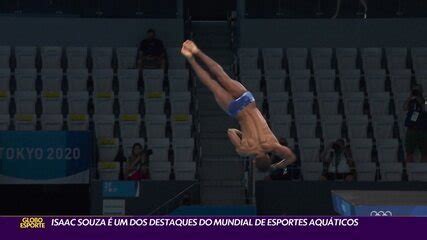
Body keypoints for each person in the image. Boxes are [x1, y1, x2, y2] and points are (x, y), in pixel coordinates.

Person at [181, 40, 296, 172]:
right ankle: (191, 59)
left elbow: (291, 158)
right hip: (237, 112)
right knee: (212, 84)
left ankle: (197, 51)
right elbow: (230, 131)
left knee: (222, 76)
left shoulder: (274, 145)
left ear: (269, 158)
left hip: (249, 103)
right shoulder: (244, 150)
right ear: (254, 162)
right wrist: (243, 134)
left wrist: (277, 166)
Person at [404, 84, 427, 162]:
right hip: (411, 129)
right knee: (409, 152)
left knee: (425, 152)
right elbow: (404, 107)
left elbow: (425, 109)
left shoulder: (426, 100)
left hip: (423, 129)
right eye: (415, 90)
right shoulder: (411, 101)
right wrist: (410, 97)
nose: (416, 92)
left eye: (418, 90)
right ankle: (410, 170)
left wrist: (421, 101)